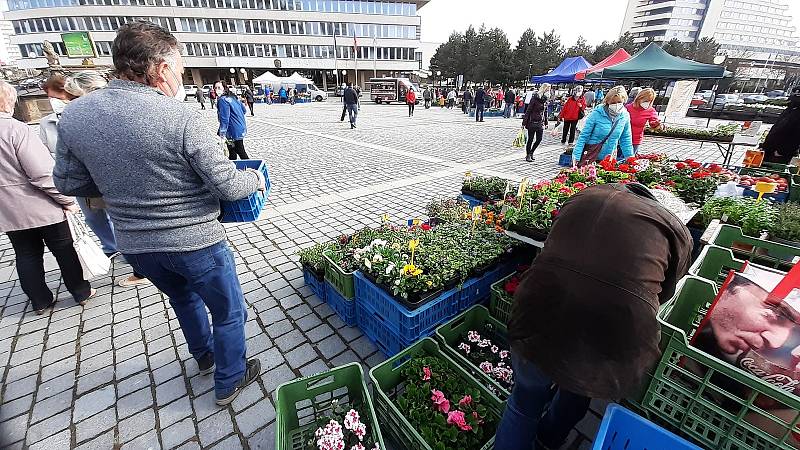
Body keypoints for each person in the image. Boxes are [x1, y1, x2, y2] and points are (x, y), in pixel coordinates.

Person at [54, 20, 265, 405]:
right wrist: (253, 178)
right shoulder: (182, 117)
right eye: (181, 69)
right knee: (229, 311)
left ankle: (204, 358)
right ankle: (230, 379)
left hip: (137, 245)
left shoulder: (76, 115)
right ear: (162, 69)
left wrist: (122, 188)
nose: (181, 77)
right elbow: (229, 186)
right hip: (196, 242)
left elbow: (69, 182)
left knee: (182, 300)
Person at [495, 182, 692, 450]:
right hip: (610, 330)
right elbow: (666, 290)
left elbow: (553, 246)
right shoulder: (672, 226)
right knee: (579, 386)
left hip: (539, 309)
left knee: (525, 399)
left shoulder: (581, 198)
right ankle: (547, 440)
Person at [40, 71, 151, 288]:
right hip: (97, 183)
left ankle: (141, 269)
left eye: (68, 97)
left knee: (125, 223)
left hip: (107, 183)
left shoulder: (86, 119)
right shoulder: (66, 119)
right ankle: (123, 254)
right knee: (104, 220)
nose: (63, 102)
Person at [0, 81, 94, 315]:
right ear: (7, 101)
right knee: (63, 248)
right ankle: (80, 291)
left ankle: (40, 300)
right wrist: (67, 200)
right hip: (40, 204)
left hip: (8, 210)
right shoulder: (15, 129)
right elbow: (41, 173)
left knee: (25, 253)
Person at [573, 86, 635, 165]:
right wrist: (576, 156)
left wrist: (630, 159)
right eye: (613, 103)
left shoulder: (625, 116)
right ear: (607, 102)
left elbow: (626, 139)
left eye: (619, 102)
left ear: (624, 100)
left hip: (609, 159)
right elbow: (584, 136)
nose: (616, 105)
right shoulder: (596, 114)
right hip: (591, 156)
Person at [760, 86, 800, 164]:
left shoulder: (795, 111)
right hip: (773, 149)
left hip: (780, 152)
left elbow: (794, 133)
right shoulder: (791, 109)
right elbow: (777, 128)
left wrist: (782, 151)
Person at [215, 81, 249, 160]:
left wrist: (222, 134)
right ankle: (232, 168)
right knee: (232, 150)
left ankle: (252, 168)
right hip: (240, 127)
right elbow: (244, 110)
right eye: (215, 88)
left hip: (232, 130)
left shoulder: (223, 100)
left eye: (219, 87)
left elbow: (224, 118)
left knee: (240, 150)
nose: (217, 89)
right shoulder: (233, 97)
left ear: (224, 88)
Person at [625, 87, 661, 154]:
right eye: (645, 101)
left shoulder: (650, 110)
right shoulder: (627, 108)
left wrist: (656, 124)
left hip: (635, 140)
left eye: (650, 101)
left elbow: (654, 120)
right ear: (639, 98)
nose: (647, 103)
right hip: (623, 139)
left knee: (629, 160)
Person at [522, 83, 550, 162]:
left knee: (539, 139)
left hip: (540, 122)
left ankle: (531, 152)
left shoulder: (545, 99)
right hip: (532, 121)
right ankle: (528, 154)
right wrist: (524, 123)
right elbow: (528, 110)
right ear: (544, 89)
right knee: (530, 139)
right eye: (548, 89)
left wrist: (546, 122)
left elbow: (545, 111)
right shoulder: (535, 98)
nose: (549, 91)